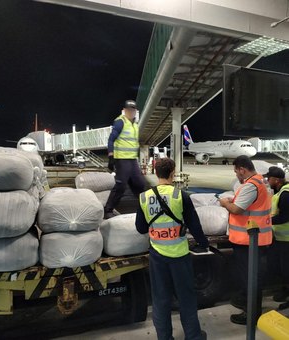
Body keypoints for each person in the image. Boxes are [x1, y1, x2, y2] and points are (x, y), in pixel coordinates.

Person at [136, 158, 208, 340]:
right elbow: (194, 224)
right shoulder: (180, 196)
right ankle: (193, 336)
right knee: (186, 299)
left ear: (155, 172)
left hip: (157, 256)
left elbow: (141, 228)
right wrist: (203, 243)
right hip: (179, 256)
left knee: (160, 300)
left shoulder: (144, 197)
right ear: (172, 173)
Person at [219, 155, 272, 325]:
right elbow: (248, 204)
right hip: (254, 239)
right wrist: (232, 200)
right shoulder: (259, 182)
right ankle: (249, 306)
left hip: (249, 240)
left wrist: (224, 203)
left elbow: (237, 209)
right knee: (252, 277)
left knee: (250, 278)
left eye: (236, 171)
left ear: (242, 169)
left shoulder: (251, 185)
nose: (236, 175)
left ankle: (251, 315)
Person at [104, 100, 145, 219]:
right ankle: (108, 209)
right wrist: (111, 156)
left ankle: (146, 207)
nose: (131, 112)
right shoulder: (120, 122)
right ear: (125, 110)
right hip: (122, 159)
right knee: (121, 186)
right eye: (129, 110)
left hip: (132, 159)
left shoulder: (135, 125)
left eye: (133, 110)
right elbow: (111, 140)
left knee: (139, 184)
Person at [264, 166, 289, 302]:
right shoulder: (280, 193)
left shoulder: (285, 194)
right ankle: (284, 289)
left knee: (286, 269)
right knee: (278, 266)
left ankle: (286, 292)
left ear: (277, 180)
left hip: (286, 239)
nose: (267, 180)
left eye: (269, 178)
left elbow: (285, 217)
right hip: (280, 237)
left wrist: (266, 221)